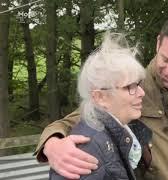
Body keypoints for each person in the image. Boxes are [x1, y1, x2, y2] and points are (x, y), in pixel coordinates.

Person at [35, 13, 168, 180]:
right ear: (158, 43)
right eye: (165, 59)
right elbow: (83, 119)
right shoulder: (131, 90)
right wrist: (52, 145)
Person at [49, 32, 152, 179]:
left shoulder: (117, 134)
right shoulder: (88, 152)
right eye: (131, 86)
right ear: (100, 97)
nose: (141, 93)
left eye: (139, 84)